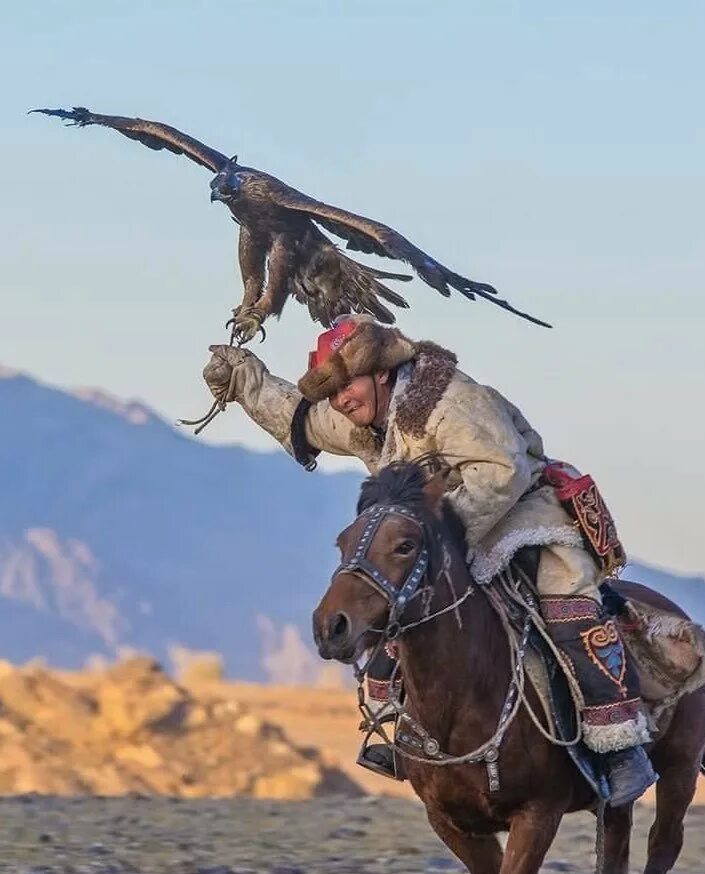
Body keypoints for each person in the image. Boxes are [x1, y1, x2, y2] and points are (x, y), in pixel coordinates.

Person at [202, 315, 657, 806]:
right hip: (432, 532)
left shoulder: (451, 401)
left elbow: (501, 470)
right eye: (332, 393)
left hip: (519, 511)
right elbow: (307, 420)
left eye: (345, 388)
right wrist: (247, 383)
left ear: (380, 372)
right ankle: (399, 731)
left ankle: (620, 747)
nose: (340, 401)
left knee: (565, 603)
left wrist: (435, 536)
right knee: (392, 602)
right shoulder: (369, 413)